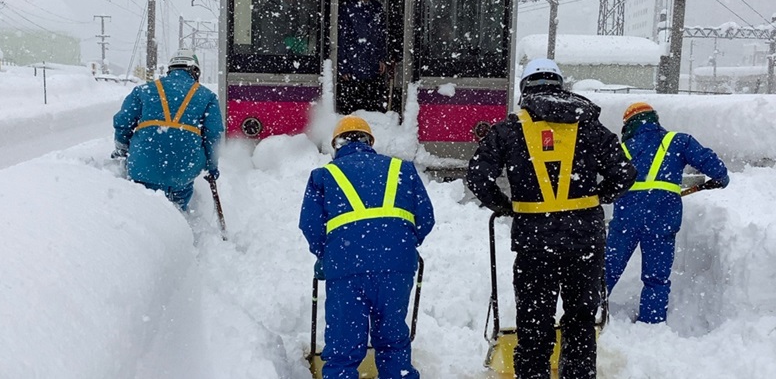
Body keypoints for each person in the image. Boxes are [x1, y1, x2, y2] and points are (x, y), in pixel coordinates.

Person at [466, 58, 636, 379]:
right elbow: (624, 172)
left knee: (534, 324)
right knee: (580, 321)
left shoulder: (508, 130)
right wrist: (598, 198)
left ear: (525, 90)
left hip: (534, 242)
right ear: (560, 86)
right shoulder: (588, 124)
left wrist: (505, 206)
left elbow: (478, 176)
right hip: (584, 240)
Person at [299, 116, 435, 379]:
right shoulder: (402, 169)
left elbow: (310, 225)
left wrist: (326, 254)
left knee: (343, 348)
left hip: (346, 270)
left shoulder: (324, 176)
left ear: (336, 145)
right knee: (393, 343)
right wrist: (402, 245)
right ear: (369, 142)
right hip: (397, 269)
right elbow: (426, 218)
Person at [605, 102, 730, 324]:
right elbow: (711, 164)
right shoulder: (678, 141)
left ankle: (590, 317)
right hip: (662, 218)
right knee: (657, 277)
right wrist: (720, 178)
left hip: (626, 217)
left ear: (628, 126)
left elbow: (604, 180)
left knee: (607, 271)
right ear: (655, 120)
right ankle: (651, 322)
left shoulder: (621, 149)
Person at [112, 48, 224, 211]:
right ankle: (177, 227)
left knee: (142, 213)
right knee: (177, 211)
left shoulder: (143, 90)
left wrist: (122, 149)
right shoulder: (207, 96)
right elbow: (213, 135)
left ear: (170, 69)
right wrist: (212, 166)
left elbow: (123, 121)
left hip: (143, 166)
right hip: (183, 169)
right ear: (195, 71)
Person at [337, 0, 388, 114]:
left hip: (372, 64)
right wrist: (343, 66)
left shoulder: (377, 8)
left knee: (371, 105)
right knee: (352, 107)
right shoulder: (347, 8)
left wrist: (382, 57)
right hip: (353, 64)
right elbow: (341, 38)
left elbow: (381, 36)